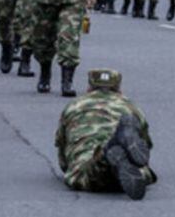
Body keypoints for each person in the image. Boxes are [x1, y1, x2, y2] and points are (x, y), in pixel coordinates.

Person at [55, 69, 156, 200]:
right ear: (118, 88)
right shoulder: (130, 107)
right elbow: (145, 148)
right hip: (128, 161)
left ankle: (106, 154)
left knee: (84, 175)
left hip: (86, 156)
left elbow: (61, 146)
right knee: (142, 172)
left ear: (89, 87)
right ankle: (115, 151)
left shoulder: (74, 106)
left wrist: (66, 166)